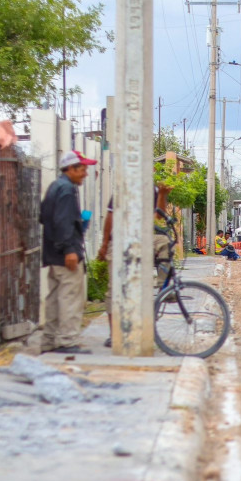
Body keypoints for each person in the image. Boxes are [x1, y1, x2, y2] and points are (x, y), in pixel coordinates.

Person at [97, 183, 173, 348]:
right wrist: (104, 245)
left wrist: (161, 194)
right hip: (119, 241)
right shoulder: (125, 186)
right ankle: (114, 334)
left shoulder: (151, 188)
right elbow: (110, 216)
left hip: (140, 240)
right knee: (115, 289)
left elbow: (158, 216)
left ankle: (163, 287)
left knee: (164, 242)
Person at [39, 150, 98, 354]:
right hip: (66, 255)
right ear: (71, 169)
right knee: (70, 298)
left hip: (53, 254)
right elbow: (62, 221)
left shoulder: (55, 187)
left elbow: (44, 216)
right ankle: (67, 341)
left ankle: (50, 341)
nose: (85, 174)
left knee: (55, 298)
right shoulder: (67, 189)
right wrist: (70, 249)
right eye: (82, 170)